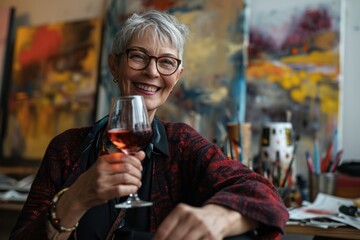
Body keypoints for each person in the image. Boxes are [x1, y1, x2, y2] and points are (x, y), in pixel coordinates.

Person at [10, 10, 289, 240]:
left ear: (177, 76)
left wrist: (221, 217)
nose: (152, 72)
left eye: (166, 62)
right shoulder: (67, 148)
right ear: (114, 65)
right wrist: (75, 200)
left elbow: (266, 195)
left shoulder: (183, 144)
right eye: (138, 56)